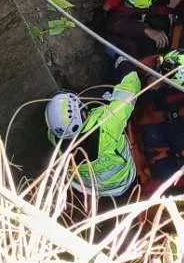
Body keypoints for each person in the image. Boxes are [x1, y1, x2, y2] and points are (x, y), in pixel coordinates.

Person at [45, 70, 141, 198]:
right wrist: (123, 64)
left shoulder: (54, 138)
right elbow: (131, 88)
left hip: (94, 189)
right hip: (125, 179)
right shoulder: (106, 124)